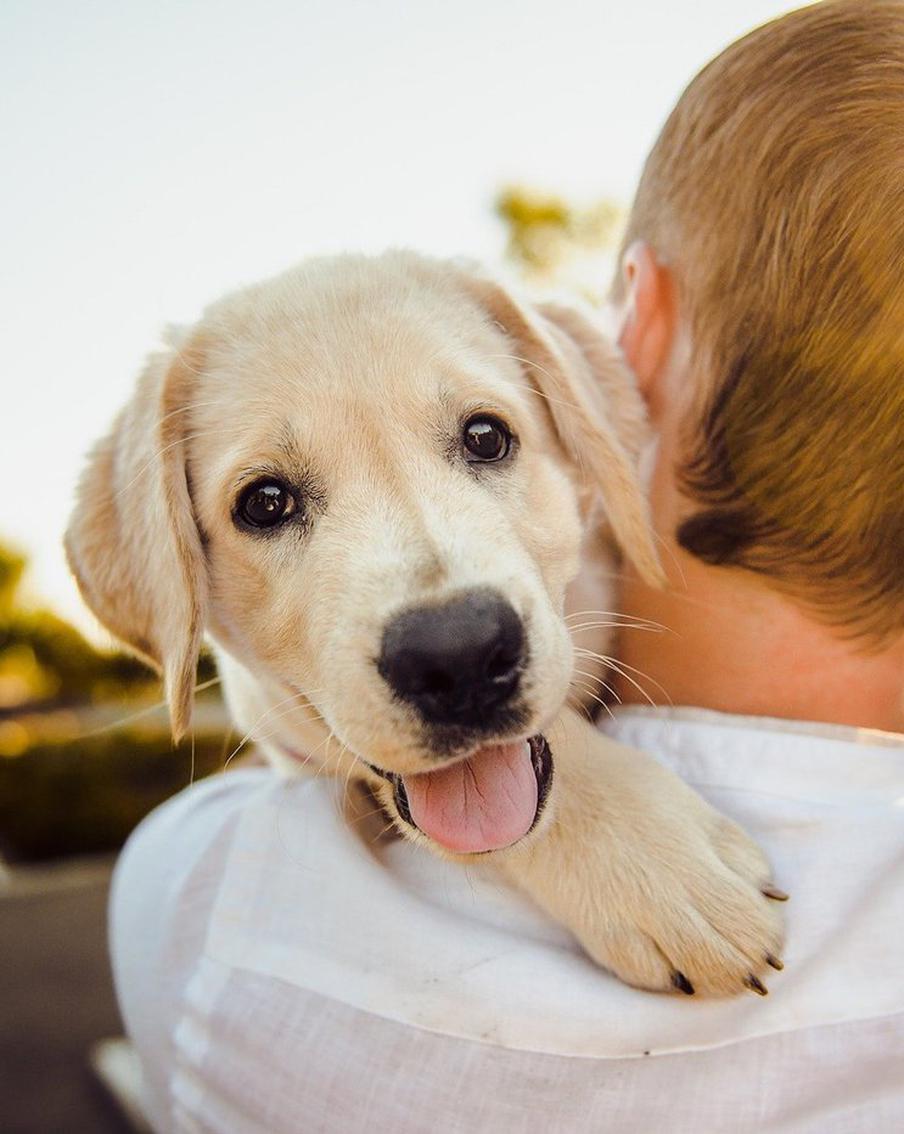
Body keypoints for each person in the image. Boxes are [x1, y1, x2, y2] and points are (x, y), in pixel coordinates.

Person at [109, 3, 904, 1130]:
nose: (437, 610)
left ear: (612, 381)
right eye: (271, 502)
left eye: (483, 441)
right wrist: (565, 790)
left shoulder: (195, 906)